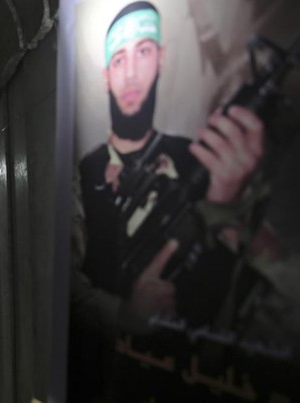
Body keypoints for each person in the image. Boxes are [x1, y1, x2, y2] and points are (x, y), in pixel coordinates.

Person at [69, 1, 287, 400]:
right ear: (105, 75)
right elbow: (67, 282)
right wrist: (125, 314)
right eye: (118, 59)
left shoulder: (199, 159)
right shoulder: (85, 172)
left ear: (162, 59)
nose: (131, 72)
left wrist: (228, 206)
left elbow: (261, 280)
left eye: (144, 52)